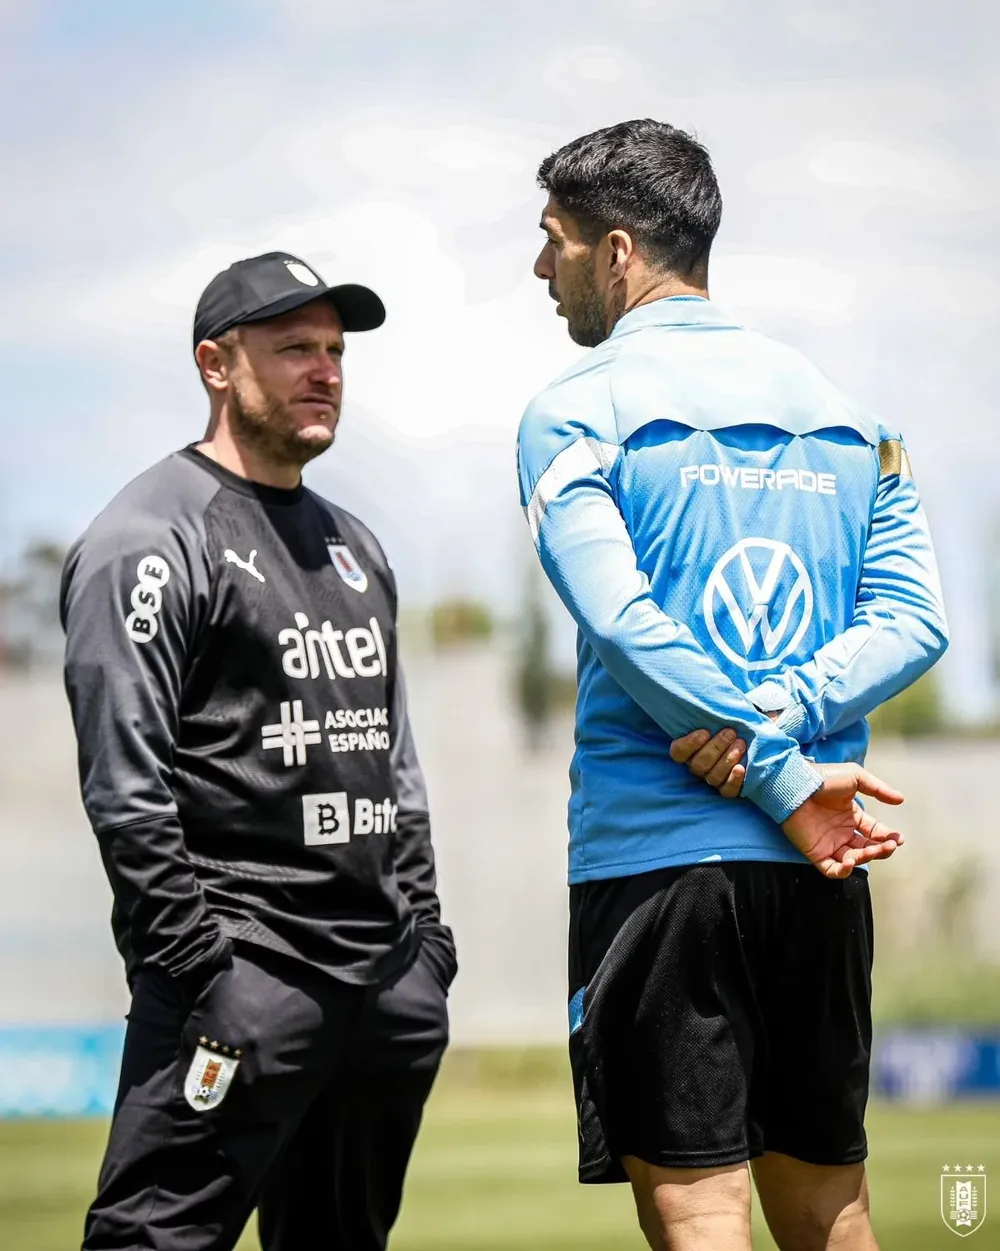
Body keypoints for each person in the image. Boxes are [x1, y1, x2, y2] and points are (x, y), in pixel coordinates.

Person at [516, 120, 948, 1251]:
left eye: (550, 241)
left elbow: (623, 624)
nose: (537, 268)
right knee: (833, 1211)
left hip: (661, 865)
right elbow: (914, 621)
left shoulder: (571, 410)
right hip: (815, 862)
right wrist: (794, 735)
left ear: (615, 254)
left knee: (701, 1215)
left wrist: (765, 761)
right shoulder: (857, 421)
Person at [60, 251, 457, 1251]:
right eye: (292, 351)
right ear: (215, 364)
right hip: (244, 976)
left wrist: (426, 952)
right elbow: (124, 782)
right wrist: (202, 966)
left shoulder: (356, 546)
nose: (324, 372)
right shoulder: (148, 536)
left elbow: (393, 766)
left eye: (333, 351)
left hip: (382, 988)